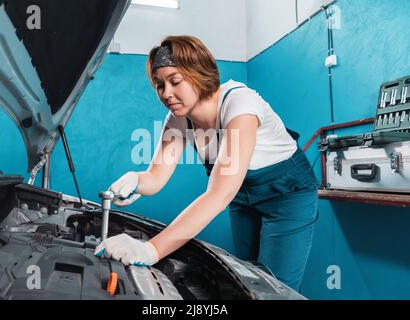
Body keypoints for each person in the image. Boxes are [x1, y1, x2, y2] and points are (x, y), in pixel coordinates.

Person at [95, 35, 318, 291]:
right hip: (242, 197)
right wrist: (135, 179)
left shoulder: (240, 104)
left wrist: (151, 250)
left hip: (287, 196)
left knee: (275, 289)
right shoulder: (178, 119)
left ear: (198, 73)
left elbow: (218, 195)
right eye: (159, 85)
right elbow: (156, 176)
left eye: (175, 81)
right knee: (248, 281)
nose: (166, 93)